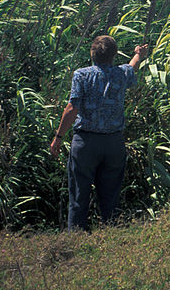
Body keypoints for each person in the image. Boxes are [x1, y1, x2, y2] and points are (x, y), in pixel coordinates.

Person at [50, 35, 147, 231]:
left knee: (78, 194)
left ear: (93, 54)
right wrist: (138, 55)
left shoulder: (82, 75)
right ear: (113, 55)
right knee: (110, 195)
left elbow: (72, 109)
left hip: (86, 143)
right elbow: (132, 66)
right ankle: (109, 236)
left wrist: (58, 137)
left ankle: (76, 238)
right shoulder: (121, 74)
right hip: (113, 143)